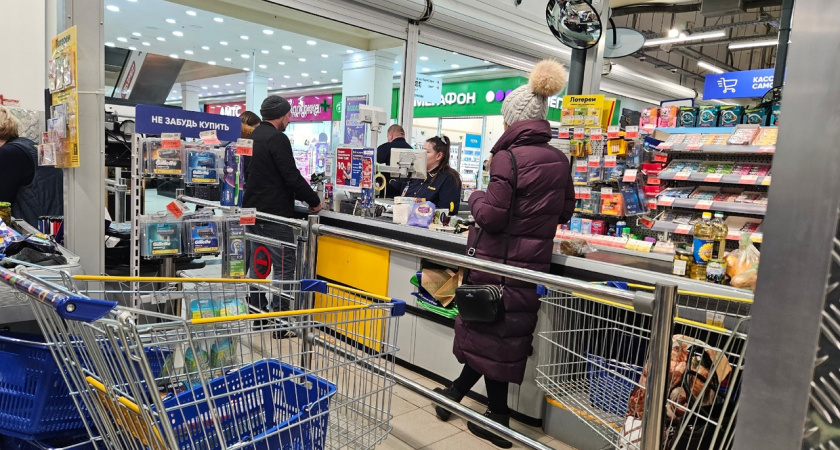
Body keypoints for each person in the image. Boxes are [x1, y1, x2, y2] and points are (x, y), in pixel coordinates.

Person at [433, 60, 573, 448]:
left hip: (497, 264)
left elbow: (491, 216)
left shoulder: (507, 158)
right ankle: (456, 396)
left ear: (512, 120)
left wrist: (476, 195)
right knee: (496, 341)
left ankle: (497, 420)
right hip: (529, 268)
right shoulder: (560, 159)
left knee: (489, 335)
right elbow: (564, 212)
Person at [243, 96, 322, 325]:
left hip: (253, 212)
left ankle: (257, 315)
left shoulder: (252, 137)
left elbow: (248, 173)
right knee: (284, 268)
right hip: (275, 214)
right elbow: (291, 176)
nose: (289, 119)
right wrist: (314, 200)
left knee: (258, 266)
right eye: (288, 115)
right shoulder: (277, 138)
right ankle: (280, 321)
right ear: (280, 115)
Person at [0, 106, 62, 227]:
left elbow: (2, 202)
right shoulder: (25, 145)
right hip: (50, 225)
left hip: (32, 228)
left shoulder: (9, 153)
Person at [389, 135, 461, 214]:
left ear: (439, 156)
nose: (421, 154)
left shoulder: (449, 178)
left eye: (426, 152)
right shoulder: (413, 171)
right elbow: (392, 189)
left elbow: (446, 211)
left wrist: (423, 208)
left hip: (425, 220)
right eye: (421, 150)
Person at [375, 124, 413, 197]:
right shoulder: (411, 149)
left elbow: (378, 159)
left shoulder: (386, 148)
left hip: (389, 187)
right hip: (406, 188)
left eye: (387, 137)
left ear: (390, 135)